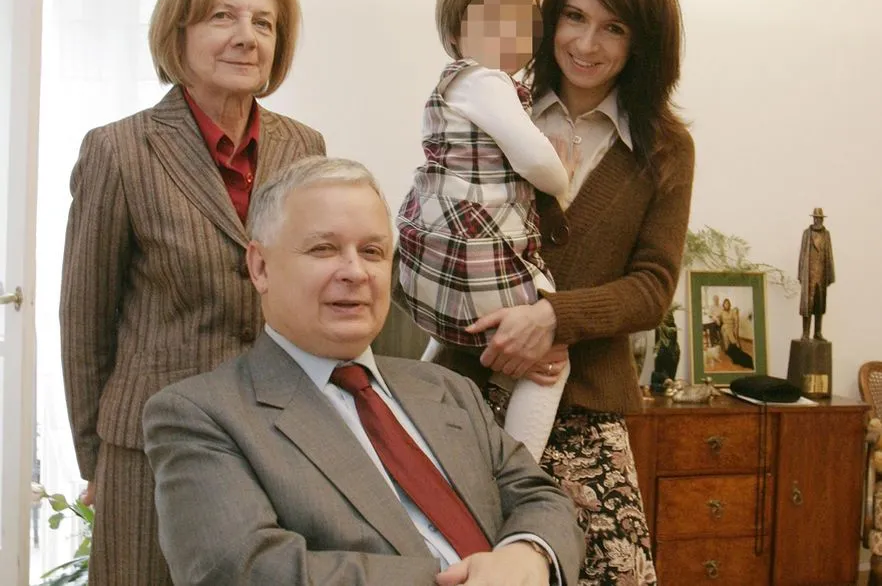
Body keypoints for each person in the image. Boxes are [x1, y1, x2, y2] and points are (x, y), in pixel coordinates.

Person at [142, 157, 584, 586]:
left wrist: (527, 554)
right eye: (323, 249)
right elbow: (242, 571)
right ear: (259, 267)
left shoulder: (447, 387)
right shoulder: (201, 415)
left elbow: (540, 497)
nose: (355, 272)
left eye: (372, 251)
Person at [59, 0, 325, 585]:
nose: (246, 37)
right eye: (221, 16)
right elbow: (85, 320)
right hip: (151, 449)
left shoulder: (305, 147)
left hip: (277, 440)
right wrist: (98, 458)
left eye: (263, 23)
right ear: (178, 32)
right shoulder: (119, 150)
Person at [436, 0, 694, 585]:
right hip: (467, 389)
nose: (586, 43)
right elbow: (444, 235)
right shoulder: (494, 98)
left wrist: (552, 319)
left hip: (584, 404)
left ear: (643, 41)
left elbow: (653, 286)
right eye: (574, 16)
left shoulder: (664, 147)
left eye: (614, 27)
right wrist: (495, 331)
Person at [396, 0, 574, 462]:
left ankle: (422, 404)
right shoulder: (485, 81)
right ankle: (519, 467)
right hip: (471, 255)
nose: (511, 33)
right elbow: (537, 161)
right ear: (456, 30)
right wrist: (562, 177)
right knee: (550, 359)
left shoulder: (451, 86)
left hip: (432, 259)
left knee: (463, 343)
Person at [798, 207, 835, 340]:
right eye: (815, 218)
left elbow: (829, 254)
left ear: (822, 219)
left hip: (821, 274)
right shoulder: (807, 234)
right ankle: (805, 333)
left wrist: (830, 274)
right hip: (809, 275)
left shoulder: (826, 234)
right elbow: (802, 254)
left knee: (819, 305)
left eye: (819, 218)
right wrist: (800, 274)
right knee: (807, 305)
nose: (817, 220)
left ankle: (817, 332)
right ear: (813, 218)